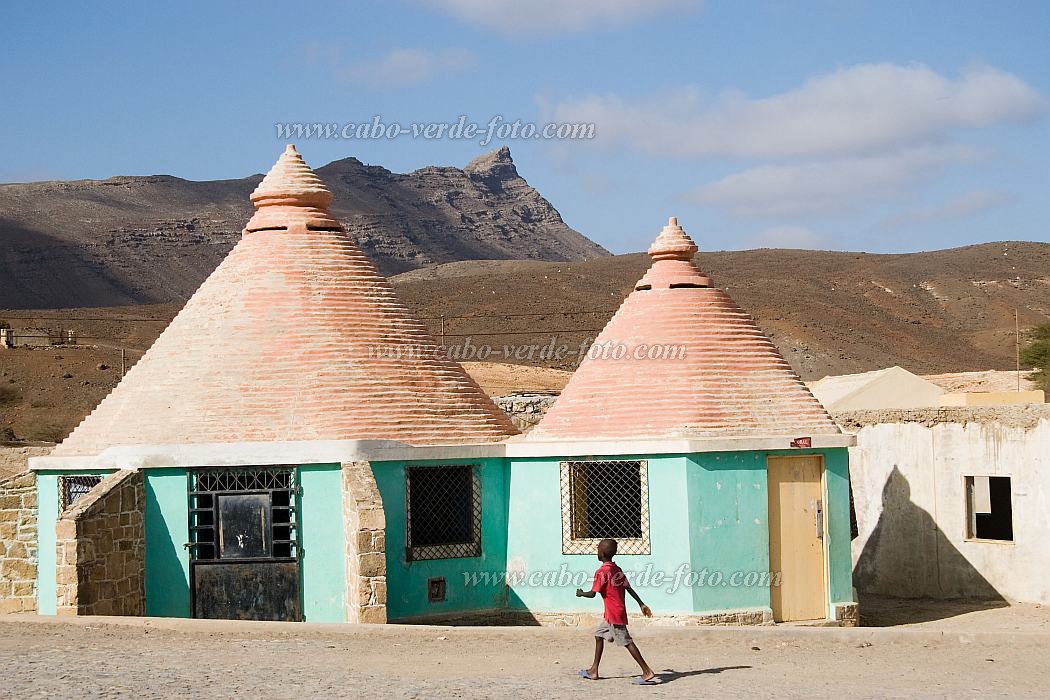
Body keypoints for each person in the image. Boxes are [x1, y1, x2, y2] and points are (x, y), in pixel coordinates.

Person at [575, 538, 659, 685]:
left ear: (601, 553)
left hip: (614, 615)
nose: (597, 552)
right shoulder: (616, 569)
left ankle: (647, 671)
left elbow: (593, 593)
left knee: (627, 642)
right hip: (612, 613)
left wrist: (581, 594)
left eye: (598, 549)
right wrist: (641, 604)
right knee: (599, 635)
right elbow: (629, 588)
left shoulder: (602, 572)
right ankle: (593, 670)